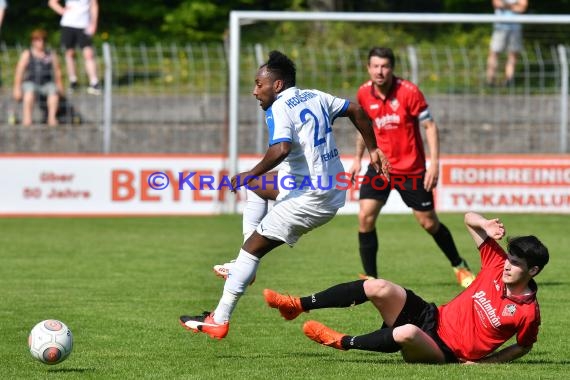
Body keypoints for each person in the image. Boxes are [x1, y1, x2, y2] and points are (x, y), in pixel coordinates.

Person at [179, 50, 390, 340]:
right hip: (324, 185)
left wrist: (248, 174)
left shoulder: (280, 107)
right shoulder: (315, 95)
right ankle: (244, 269)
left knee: (252, 248)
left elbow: (281, 149)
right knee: (257, 193)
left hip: (311, 197)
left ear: (277, 85)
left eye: (259, 84)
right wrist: (374, 148)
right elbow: (356, 110)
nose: (255, 91)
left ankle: (219, 319)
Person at [263, 211, 549, 364]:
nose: (508, 266)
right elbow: (468, 219)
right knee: (377, 286)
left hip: (444, 350)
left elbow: (523, 347)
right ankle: (296, 305)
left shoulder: (527, 312)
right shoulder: (496, 265)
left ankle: (342, 341)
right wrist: (484, 223)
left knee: (406, 332)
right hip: (432, 316)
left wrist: (485, 365)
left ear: (533, 270)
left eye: (516, 264)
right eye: (509, 259)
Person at [349, 47, 475, 287]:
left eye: (385, 66)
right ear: (368, 68)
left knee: (429, 223)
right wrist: (357, 158)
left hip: (411, 170)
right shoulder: (364, 93)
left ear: (392, 69)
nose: (380, 71)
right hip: (379, 168)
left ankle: (459, 265)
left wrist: (434, 164)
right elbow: (363, 129)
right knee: (365, 217)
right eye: (375, 66)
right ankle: (371, 279)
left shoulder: (408, 92)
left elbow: (429, 126)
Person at [13, 29, 64, 127]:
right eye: (38, 40)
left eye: (43, 40)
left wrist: (60, 86)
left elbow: (58, 71)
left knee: (53, 92)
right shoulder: (27, 54)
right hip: (31, 82)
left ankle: (52, 118)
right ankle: (27, 118)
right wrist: (17, 88)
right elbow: (19, 72)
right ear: (33, 41)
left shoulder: (51, 54)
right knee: (29, 92)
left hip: (46, 83)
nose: (41, 42)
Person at [48, 0, 101, 95]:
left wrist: (94, 23)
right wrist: (62, 11)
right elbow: (52, 2)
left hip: (84, 25)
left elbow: (94, 5)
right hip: (68, 24)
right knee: (69, 54)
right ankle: (73, 81)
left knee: (89, 54)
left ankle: (94, 82)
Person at [486, 0, 528, 86]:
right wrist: (514, 5)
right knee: (494, 53)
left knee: (512, 55)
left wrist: (506, 5)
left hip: (515, 28)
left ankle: (509, 80)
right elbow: (497, 4)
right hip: (500, 27)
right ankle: (490, 80)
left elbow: (522, 8)